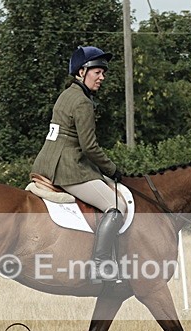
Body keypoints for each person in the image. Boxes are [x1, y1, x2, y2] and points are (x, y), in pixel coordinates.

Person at [32, 45, 127, 283]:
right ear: (82, 71)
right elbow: (89, 147)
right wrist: (112, 170)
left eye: (104, 72)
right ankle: (100, 265)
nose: (102, 77)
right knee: (116, 207)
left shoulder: (66, 94)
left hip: (47, 162)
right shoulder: (83, 102)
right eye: (98, 72)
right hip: (68, 168)